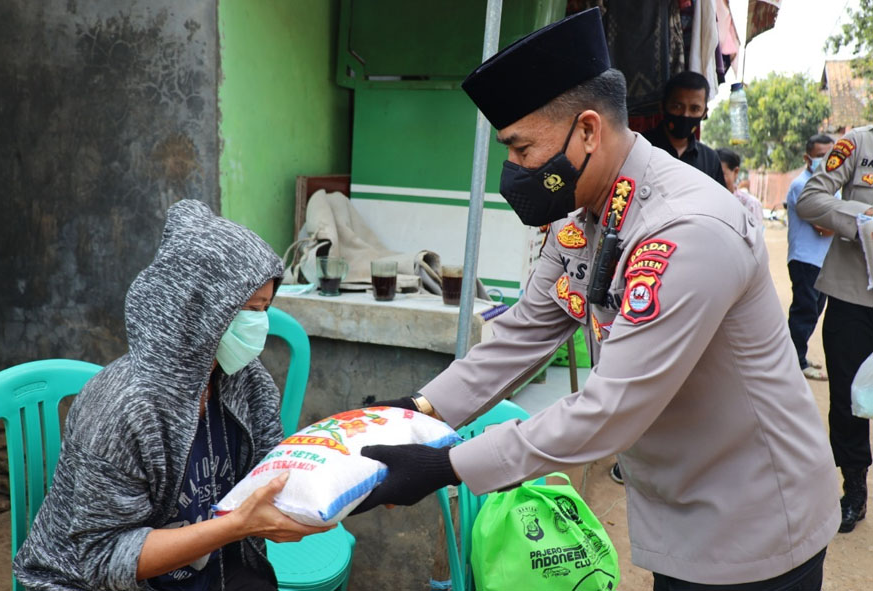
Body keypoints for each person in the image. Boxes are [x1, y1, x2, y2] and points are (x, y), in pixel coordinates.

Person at [350, 9, 839, 589]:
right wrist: (418, 411)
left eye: (522, 148)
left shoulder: (687, 229)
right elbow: (528, 330)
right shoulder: (587, 211)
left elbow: (610, 410)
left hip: (754, 519)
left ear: (587, 130)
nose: (514, 170)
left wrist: (443, 466)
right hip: (680, 508)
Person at [14, 200, 330, 591]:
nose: (259, 324)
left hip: (212, 570)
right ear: (197, 309)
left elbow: (273, 475)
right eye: (249, 309)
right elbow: (103, 558)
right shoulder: (125, 408)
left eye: (265, 308)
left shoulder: (244, 382)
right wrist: (234, 526)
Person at [797, 126, 873, 534]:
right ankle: (854, 488)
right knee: (847, 399)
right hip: (852, 297)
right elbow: (811, 199)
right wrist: (861, 217)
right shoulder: (858, 144)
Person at [785, 134, 836, 381]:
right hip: (805, 260)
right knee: (804, 311)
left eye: (831, 155)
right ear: (807, 158)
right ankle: (793, 361)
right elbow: (825, 227)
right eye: (820, 156)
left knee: (813, 311)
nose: (826, 161)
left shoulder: (829, 187)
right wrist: (854, 220)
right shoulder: (801, 186)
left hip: (822, 261)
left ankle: (797, 356)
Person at [642, 70, 727, 189]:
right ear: (663, 106)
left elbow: (718, 203)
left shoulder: (710, 160)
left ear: (704, 113)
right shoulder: (641, 147)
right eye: (677, 107)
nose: (685, 115)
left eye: (694, 109)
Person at [716, 147, 763, 220]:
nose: (715, 178)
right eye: (712, 173)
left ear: (736, 172)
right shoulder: (705, 201)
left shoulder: (751, 205)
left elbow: (756, 231)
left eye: (721, 174)